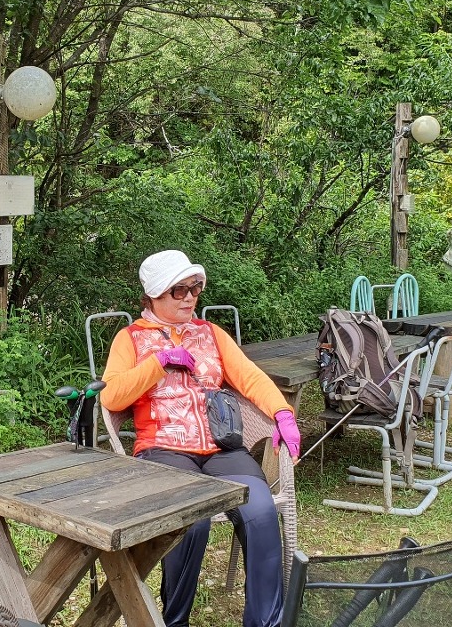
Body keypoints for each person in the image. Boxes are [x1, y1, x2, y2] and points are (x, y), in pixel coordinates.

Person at [101, 250, 301, 627]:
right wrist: (159, 363)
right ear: (154, 294)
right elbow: (111, 396)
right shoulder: (130, 339)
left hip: (221, 447)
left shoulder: (210, 333)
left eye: (195, 287)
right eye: (179, 290)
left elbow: (249, 377)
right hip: (163, 449)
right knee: (192, 522)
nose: (190, 297)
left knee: (259, 512)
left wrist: (282, 412)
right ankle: (175, 620)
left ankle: (266, 622)